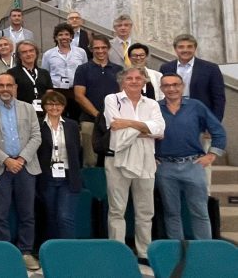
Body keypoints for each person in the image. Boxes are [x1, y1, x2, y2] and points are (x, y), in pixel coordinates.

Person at [0, 73, 42, 271]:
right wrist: (6, 160)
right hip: (1, 167)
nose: (5, 89)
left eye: (9, 85)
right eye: (1, 85)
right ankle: (4, 252)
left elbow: (36, 136)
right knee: (0, 212)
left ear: (15, 87)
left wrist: (21, 159)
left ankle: (25, 251)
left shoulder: (28, 108)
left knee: (27, 213)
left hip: (25, 166)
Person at [104, 67, 165, 263]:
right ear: (123, 82)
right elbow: (116, 130)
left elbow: (161, 130)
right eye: (129, 78)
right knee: (116, 209)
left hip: (147, 160)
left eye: (138, 78)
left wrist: (129, 124)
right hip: (118, 159)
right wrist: (146, 128)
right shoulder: (111, 99)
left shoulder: (153, 104)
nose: (134, 81)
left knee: (146, 211)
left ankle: (144, 252)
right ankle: (117, 251)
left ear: (144, 82)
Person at [155, 73, 227, 240]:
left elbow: (218, 131)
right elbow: (146, 135)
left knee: (200, 212)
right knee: (171, 212)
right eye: (167, 85)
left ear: (182, 86)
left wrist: (212, 155)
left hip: (193, 165)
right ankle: (178, 253)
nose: (171, 88)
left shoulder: (196, 106)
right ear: (161, 89)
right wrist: (151, 157)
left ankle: (204, 252)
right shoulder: (155, 108)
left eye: (175, 85)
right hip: (165, 167)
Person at [37, 91, 83, 239]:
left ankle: (70, 251)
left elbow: (77, 150)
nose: (54, 107)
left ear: (63, 106)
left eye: (58, 104)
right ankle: (52, 252)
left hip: (68, 176)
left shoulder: (72, 125)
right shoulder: (38, 124)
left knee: (65, 216)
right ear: (44, 106)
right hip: (47, 176)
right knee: (50, 217)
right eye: (50, 103)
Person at [72, 34, 122, 167]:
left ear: (109, 48)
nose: (100, 51)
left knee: (113, 160)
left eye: (103, 47)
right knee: (90, 161)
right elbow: (79, 95)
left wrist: (110, 117)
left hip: (114, 122)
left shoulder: (118, 70)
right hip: (90, 121)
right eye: (96, 48)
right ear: (91, 49)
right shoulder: (82, 69)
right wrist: (99, 116)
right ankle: (92, 188)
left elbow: (122, 95)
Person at [159, 33, 225, 121]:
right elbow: (161, 94)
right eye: (181, 47)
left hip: (201, 118)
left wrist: (215, 122)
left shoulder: (210, 68)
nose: (185, 50)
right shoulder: (165, 68)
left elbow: (219, 98)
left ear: (195, 48)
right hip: (171, 117)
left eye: (189, 46)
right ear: (175, 49)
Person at [42, 24, 88, 115]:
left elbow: (85, 71)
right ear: (55, 37)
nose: (64, 37)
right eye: (60, 35)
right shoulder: (48, 54)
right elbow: (45, 74)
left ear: (71, 37)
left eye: (67, 34)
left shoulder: (81, 52)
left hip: (75, 91)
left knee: (75, 117)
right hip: (56, 91)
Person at [5, 41, 52, 111]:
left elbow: (50, 96)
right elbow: (12, 98)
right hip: (22, 112)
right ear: (19, 56)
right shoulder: (12, 73)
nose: (28, 54)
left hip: (44, 113)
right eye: (24, 52)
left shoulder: (45, 73)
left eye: (31, 51)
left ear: (36, 53)